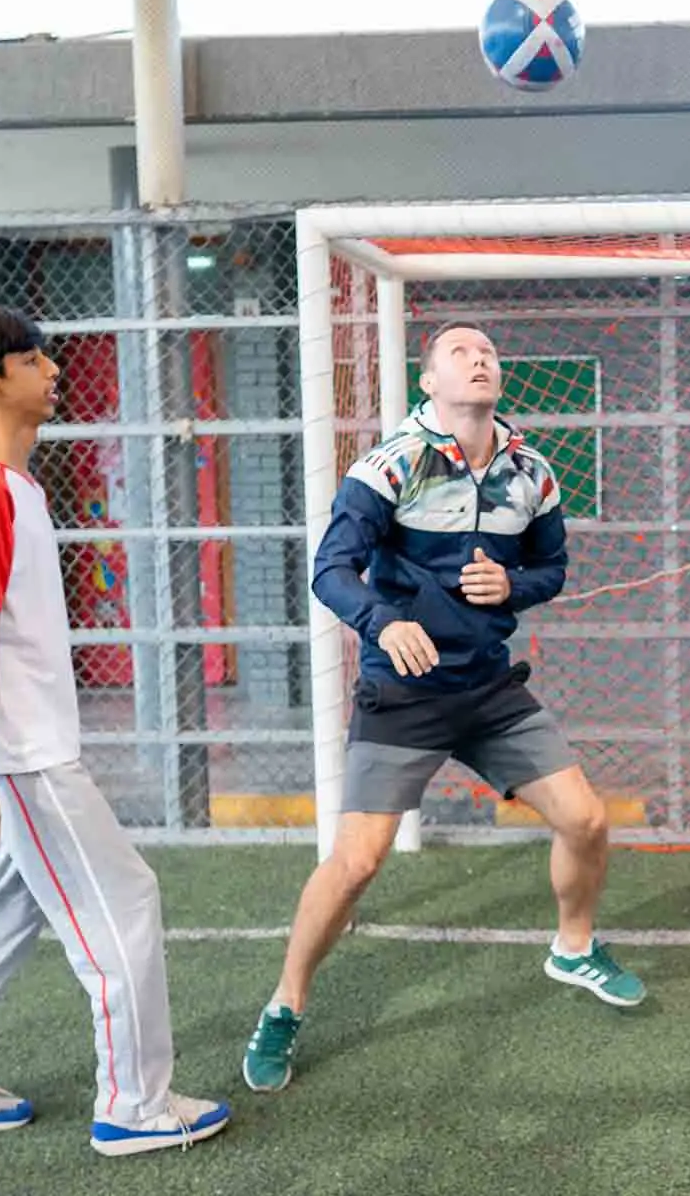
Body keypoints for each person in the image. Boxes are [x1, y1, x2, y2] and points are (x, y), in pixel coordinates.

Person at [242, 322, 644, 1094]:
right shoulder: (391, 465)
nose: (481, 358)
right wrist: (384, 623)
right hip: (403, 694)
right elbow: (331, 569)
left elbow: (551, 567)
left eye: (488, 351)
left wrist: (514, 587)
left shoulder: (533, 470)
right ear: (429, 382)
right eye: (460, 352)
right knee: (357, 861)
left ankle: (573, 946)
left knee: (588, 820)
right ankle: (285, 1005)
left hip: (489, 689)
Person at [0, 307, 230, 1157]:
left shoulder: (15, 487)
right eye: (31, 358)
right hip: (23, 759)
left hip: (21, 755)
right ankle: (135, 1106)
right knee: (124, 902)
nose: (51, 369)